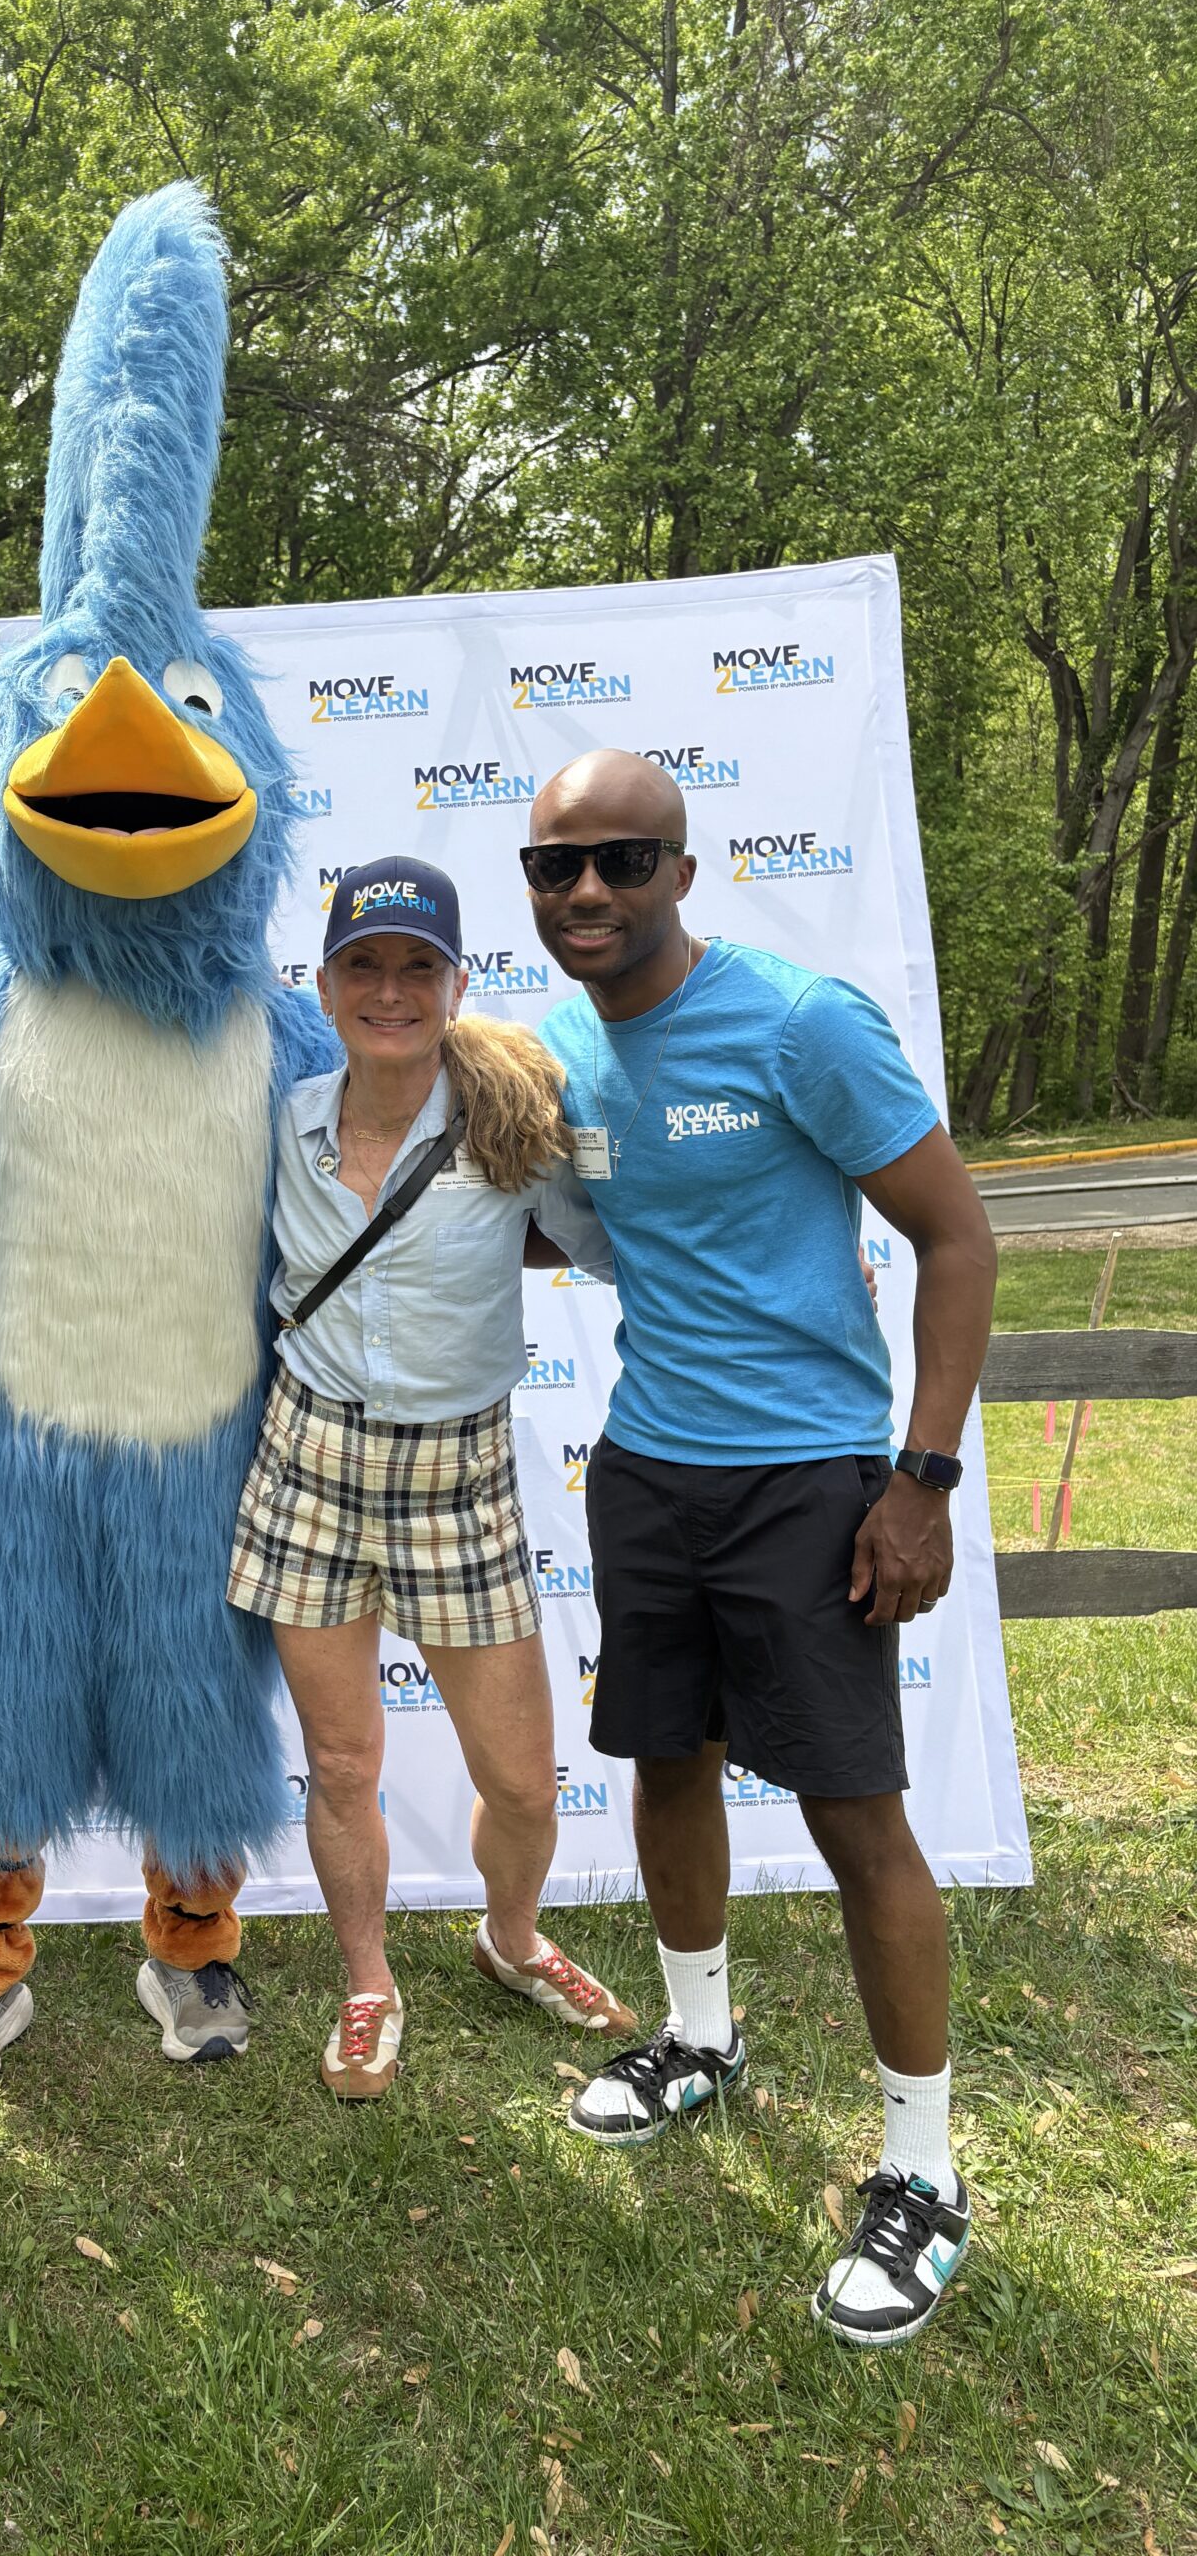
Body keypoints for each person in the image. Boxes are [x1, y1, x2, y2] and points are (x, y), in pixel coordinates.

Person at [527, 747, 997, 2348]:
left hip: (810, 1487)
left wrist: (919, 1479)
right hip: (647, 1474)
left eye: (622, 861)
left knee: (860, 1822)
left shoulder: (800, 1022)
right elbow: (556, 1219)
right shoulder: (568, 1063)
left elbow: (956, 1231)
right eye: (559, 866)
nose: (588, 890)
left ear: (682, 871)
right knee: (666, 1766)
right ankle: (699, 2042)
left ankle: (923, 2179)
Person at [226, 855, 635, 2100]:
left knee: (520, 1778)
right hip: (306, 1470)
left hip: (458, 1483)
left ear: (457, 982)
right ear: (326, 981)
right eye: (365, 966)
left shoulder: (519, 1121)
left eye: (417, 967)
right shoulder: (278, 1125)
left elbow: (629, 1239)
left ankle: (510, 1938)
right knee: (344, 1764)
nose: (389, 991)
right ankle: (367, 1982)